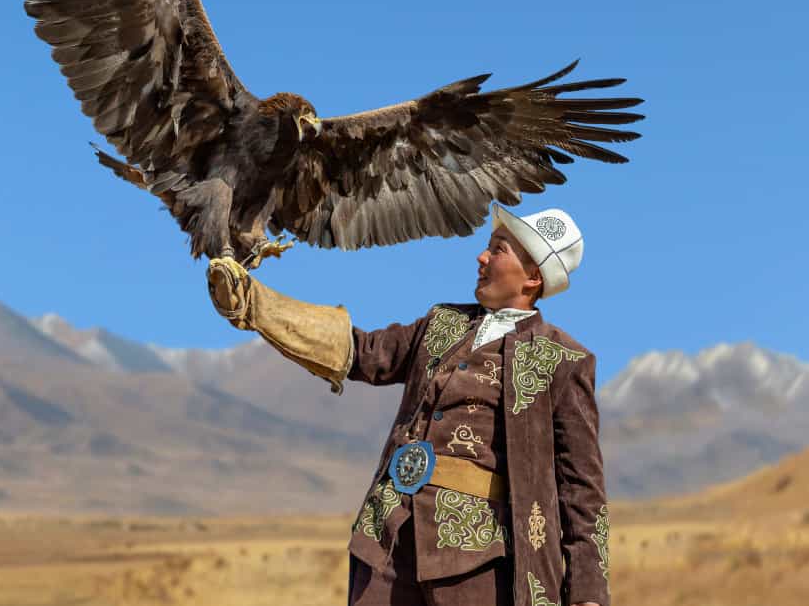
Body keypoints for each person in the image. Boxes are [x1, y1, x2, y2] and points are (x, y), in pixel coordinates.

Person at [207, 203, 610, 606]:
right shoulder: (440, 322)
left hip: (480, 559)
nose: (482, 257)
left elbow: (582, 489)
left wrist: (588, 594)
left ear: (534, 276)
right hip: (386, 538)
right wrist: (257, 305)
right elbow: (362, 353)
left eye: (498, 249)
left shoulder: (563, 359)